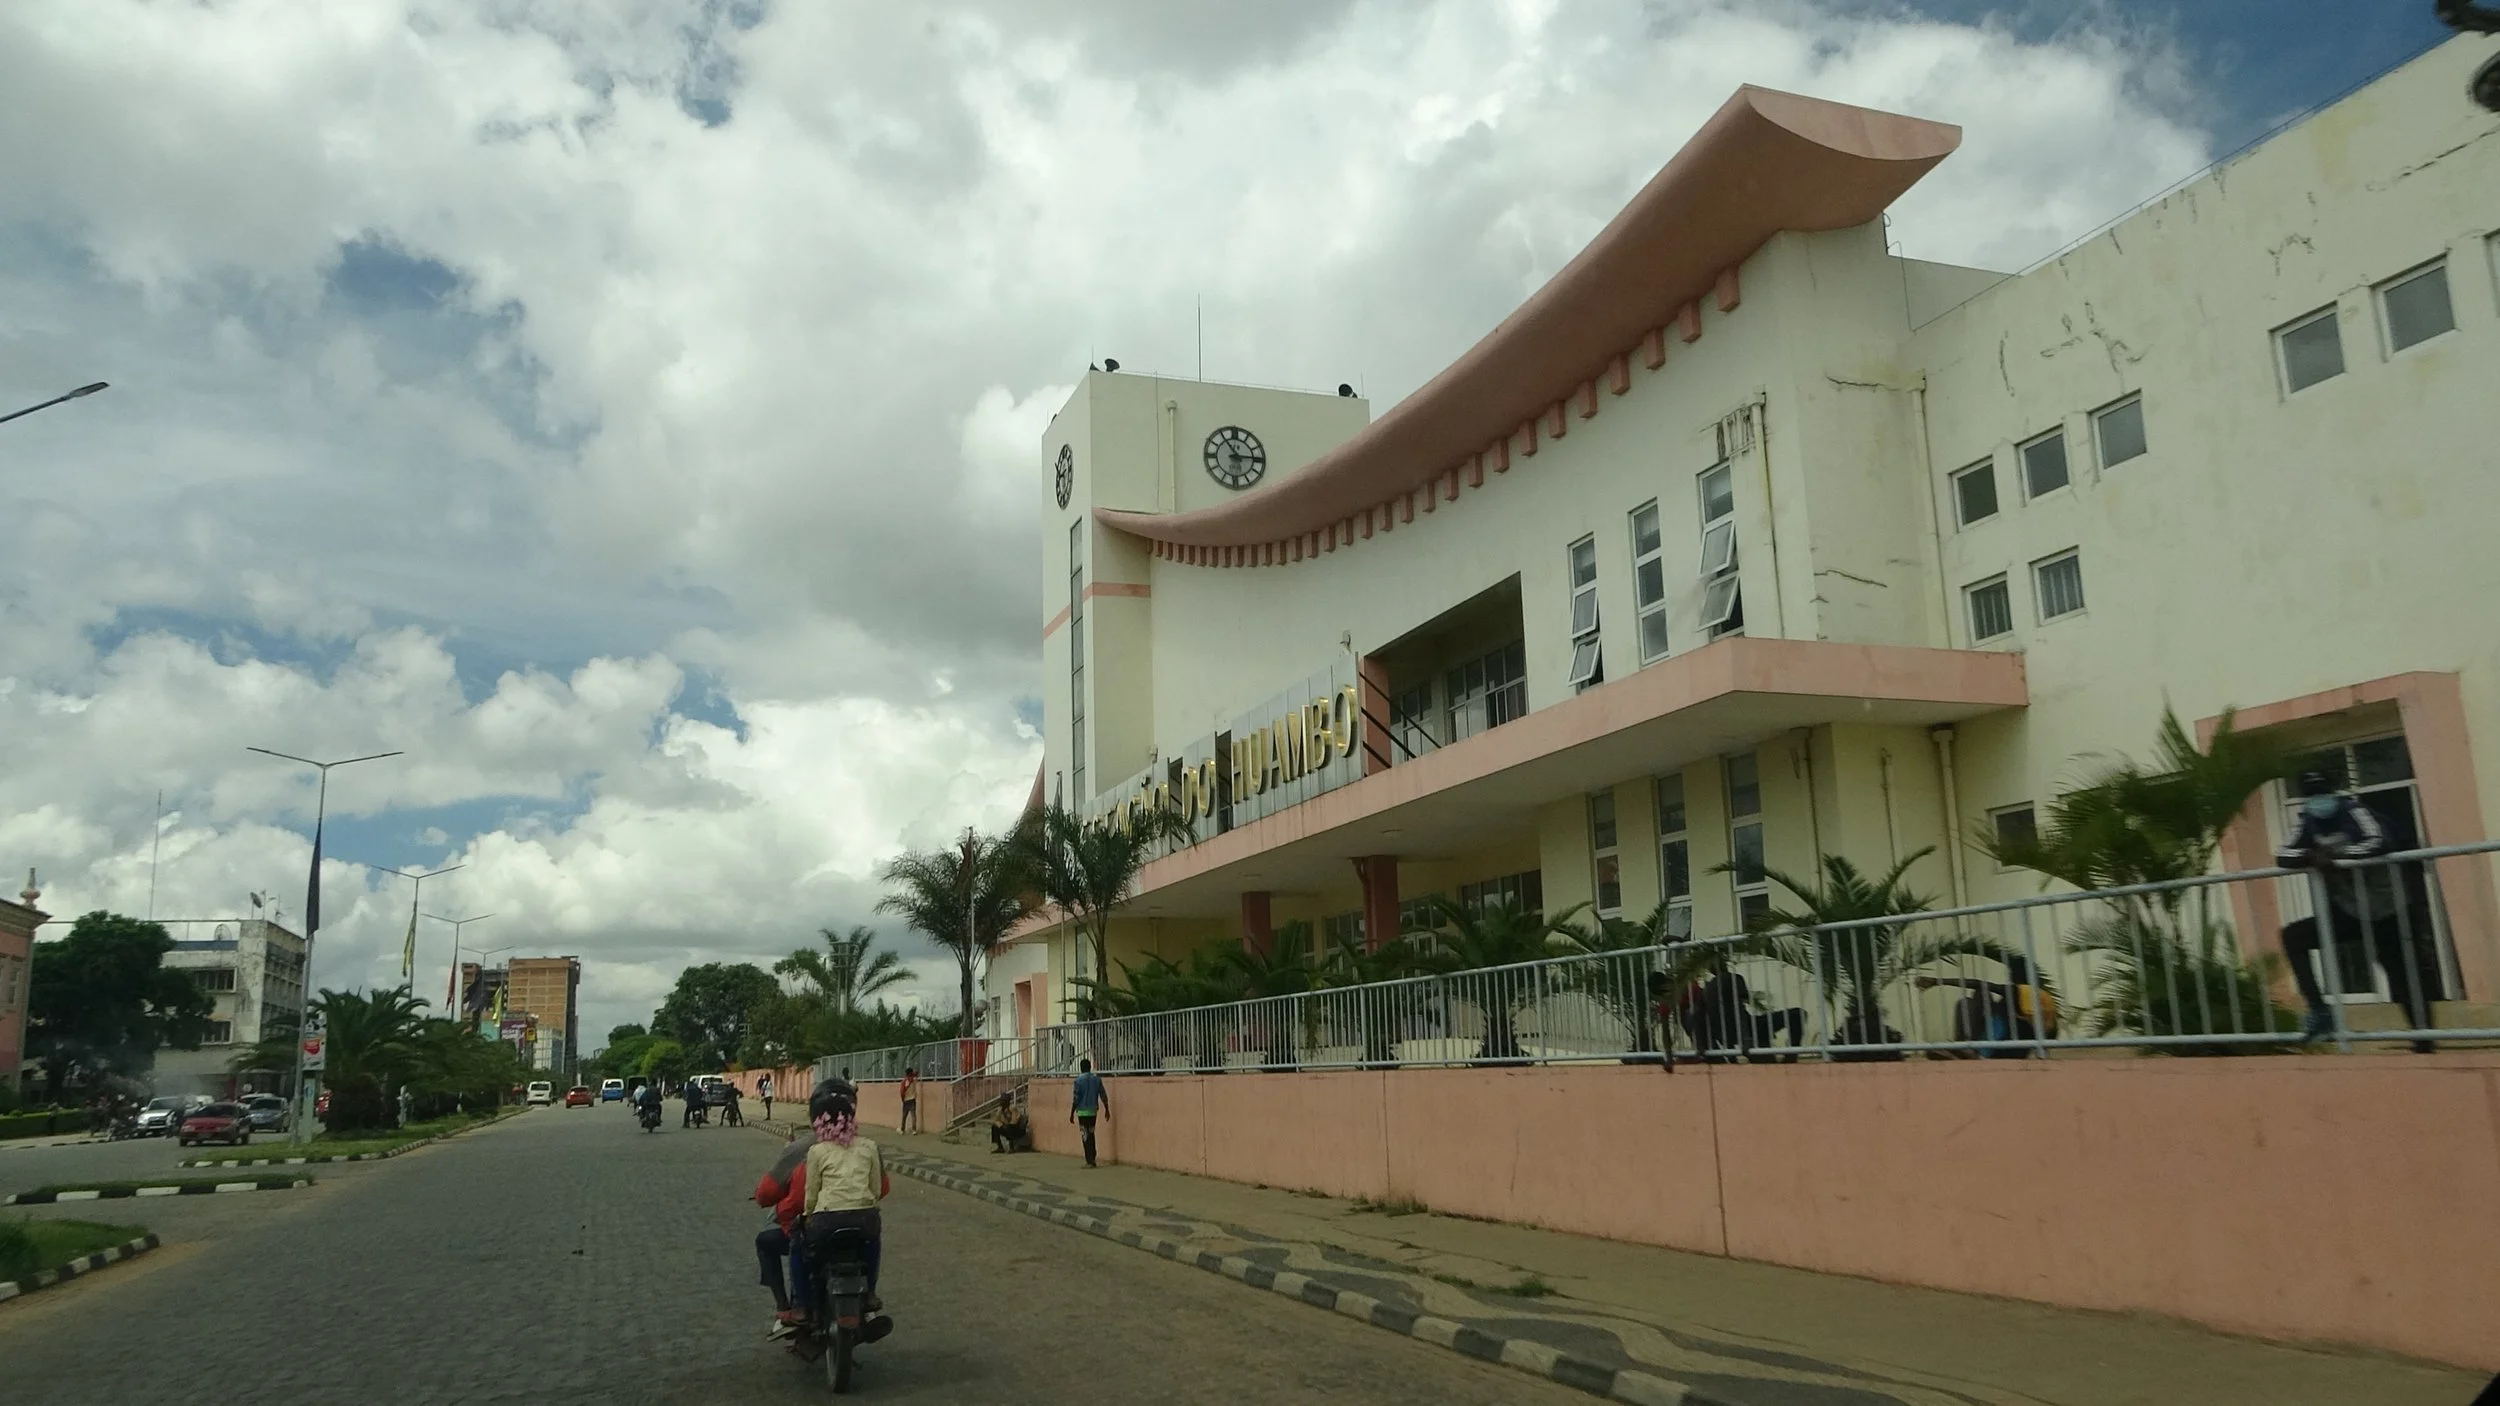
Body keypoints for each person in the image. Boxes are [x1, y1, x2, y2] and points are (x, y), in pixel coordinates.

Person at [2276, 770, 2439, 1049]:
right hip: (2350, 910)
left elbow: (2379, 842)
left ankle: (2425, 1041)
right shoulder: (2307, 821)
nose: (2318, 800)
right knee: (2294, 936)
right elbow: (2282, 855)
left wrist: (2337, 856)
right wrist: (2309, 856)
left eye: (2322, 793)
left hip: (2390, 907)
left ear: (2333, 792)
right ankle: (2319, 1011)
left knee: (2400, 973)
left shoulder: (2355, 810)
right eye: (2312, 795)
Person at [802, 1088, 889, 1316]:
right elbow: (877, 1189)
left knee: (807, 1253)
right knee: (873, 1244)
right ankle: (870, 1292)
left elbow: (811, 1193)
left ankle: (809, 1302)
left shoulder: (817, 1151)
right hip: (865, 1218)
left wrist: (807, 1215)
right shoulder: (869, 1146)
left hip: (827, 1220)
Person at [1915, 955, 2058, 1057]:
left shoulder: (2019, 990)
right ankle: (1964, 1046)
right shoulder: (2042, 996)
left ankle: (1970, 1048)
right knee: (1969, 1001)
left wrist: (1938, 981)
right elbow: (2052, 1031)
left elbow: (1979, 984)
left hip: (2012, 1045)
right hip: (2021, 1044)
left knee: (1982, 996)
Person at [753, 1132, 814, 1337]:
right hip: (860, 1226)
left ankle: (785, 1309)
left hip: (809, 1228)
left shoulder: (800, 1150)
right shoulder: (863, 1146)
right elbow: (882, 1188)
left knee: (768, 1242)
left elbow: (766, 1194)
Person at [1069, 1058, 1108, 1168]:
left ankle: (1089, 1160)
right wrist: (1107, 1108)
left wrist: (1072, 1112)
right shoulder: (1096, 1080)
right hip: (1092, 1111)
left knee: (1084, 1135)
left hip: (1082, 1112)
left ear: (1081, 1068)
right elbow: (1103, 1094)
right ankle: (1093, 1157)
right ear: (1090, 1067)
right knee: (1091, 1133)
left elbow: (1076, 1098)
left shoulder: (1078, 1081)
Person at [989, 1088, 1030, 1154]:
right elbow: (996, 1120)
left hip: (1017, 1129)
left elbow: (1015, 1121)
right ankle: (1000, 1147)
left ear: (1007, 1101)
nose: (1001, 1103)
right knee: (994, 1127)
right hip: (1006, 1127)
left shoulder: (1012, 1108)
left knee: (1009, 1127)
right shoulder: (1000, 1110)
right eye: (1001, 1101)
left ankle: (1011, 1147)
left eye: (1003, 1101)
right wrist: (1001, 1125)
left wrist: (1006, 1125)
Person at [898, 1066, 920, 1135]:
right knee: (913, 1115)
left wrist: (902, 1099)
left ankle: (902, 1129)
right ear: (911, 1073)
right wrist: (913, 1073)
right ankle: (914, 1130)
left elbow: (901, 1092)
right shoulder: (913, 1079)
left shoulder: (904, 1081)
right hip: (913, 1099)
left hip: (906, 1100)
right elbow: (916, 1073)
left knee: (904, 1116)